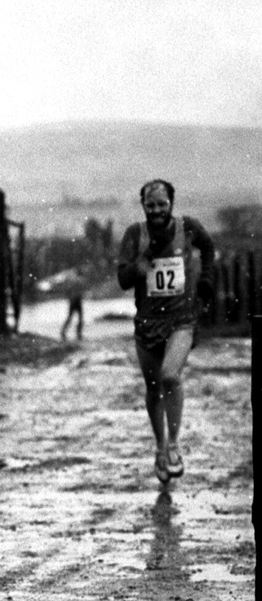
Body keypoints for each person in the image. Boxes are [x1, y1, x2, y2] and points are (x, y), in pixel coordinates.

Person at [117, 179, 215, 483]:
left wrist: (207, 279)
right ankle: (159, 447)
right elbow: (122, 278)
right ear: (143, 205)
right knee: (152, 388)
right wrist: (139, 266)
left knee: (170, 376)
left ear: (171, 203)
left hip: (181, 320)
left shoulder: (188, 228)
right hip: (147, 323)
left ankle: (174, 445)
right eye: (151, 204)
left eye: (162, 204)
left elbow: (209, 248)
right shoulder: (135, 234)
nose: (156, 210)